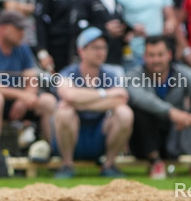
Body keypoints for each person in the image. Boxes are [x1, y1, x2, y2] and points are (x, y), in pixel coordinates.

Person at [126, 35, 191, 179]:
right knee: (137, 111)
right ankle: (155, 162)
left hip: (178, 132)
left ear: (169, 55)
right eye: (151, 55)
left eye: (160, 54)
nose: (156, 60)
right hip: (148, 137)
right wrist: (171, 112)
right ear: (144, 56)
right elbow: (141, 98)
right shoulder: (134, 75)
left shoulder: (181, 72)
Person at [51, 28, 133, 178]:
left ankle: (109, 165)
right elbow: (68, 95)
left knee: (124, 113)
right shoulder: (67, 73)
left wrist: (78, 101)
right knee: (64, 113)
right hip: (72, 136)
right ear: (81, 51)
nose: (101, 52)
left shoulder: (111, 73)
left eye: (103, 48)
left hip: (99, 133)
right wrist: (105, 94)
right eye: (95, 48)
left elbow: (121, 99)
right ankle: (67, 166)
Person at [0, 10, 56, 143]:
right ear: (3, 29)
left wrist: (25, 100)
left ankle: (56, 153)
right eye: (18, 29)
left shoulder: (22, 48)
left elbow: (31, 81)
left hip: (14, 101)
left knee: (48, 101)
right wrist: (21, 95)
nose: (22, 33)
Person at [72, 0, 129, 67]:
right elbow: (77, 26)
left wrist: (128, 31)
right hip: (92, 63)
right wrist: (104, 30)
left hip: (116, 59)